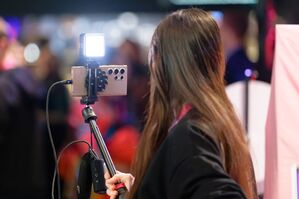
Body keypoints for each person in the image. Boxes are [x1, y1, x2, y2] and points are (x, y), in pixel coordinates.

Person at [105, 8, 257, 199]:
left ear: (159, 62)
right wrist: (144, 186)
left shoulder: (192, 133)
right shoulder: (215, 123)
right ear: (217, 60)